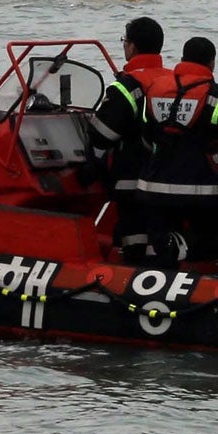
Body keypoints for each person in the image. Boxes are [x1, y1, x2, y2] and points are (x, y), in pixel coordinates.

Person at [133, 37, 218, 263]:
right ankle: (185, 251)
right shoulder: (217, 97)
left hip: (153, 188)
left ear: (182, 59)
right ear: (212, 63)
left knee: (157, 243)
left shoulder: (154, 90)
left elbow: (145, 137)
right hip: (198, 192)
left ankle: (162, 262)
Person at [90, 16, 178, 263]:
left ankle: (132, 275)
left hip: (133, 179)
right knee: (161, 238)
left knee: (134, 239)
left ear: (132, 47)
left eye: (124, 41)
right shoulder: (175, 82)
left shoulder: (124, 87)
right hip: (173, 177)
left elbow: (101, 135)